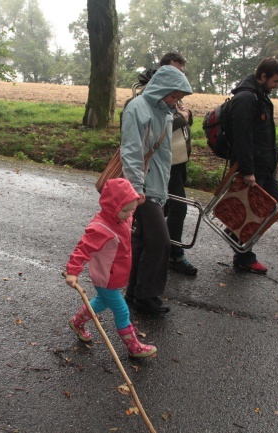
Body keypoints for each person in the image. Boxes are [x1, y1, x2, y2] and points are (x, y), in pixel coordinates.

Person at [121, 65, 192, 314]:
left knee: (142, 240)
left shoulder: (165, 111)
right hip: (142, 187)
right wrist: (136, 189)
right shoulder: (138, 108)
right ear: (162, 88)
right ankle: (147, 296)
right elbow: (130, 151)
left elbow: (164, 153)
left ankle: (134, 292)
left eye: (178, 98)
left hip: (155, 184)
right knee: (161, 241)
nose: (175, 101)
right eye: (173, 95)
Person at [65, 178, 156, 358]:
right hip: (105, 279)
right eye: (126, 210)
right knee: (122, 310)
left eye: (132, 209)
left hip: (115, 276)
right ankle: (134, 347)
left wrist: (137, 202)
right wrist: (73, 271)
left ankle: (77, 322)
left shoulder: (123, 217)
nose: (130, 214)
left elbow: (129, 209)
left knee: (102, 302)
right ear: (113, 207)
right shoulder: (100, 228)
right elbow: (83, 249)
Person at [228, 57, 278, 274]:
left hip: (266, 166)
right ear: (263, 76)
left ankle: (234, 232)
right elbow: (243, 137)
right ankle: (244, 256)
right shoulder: (245, 98)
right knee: (254, 211)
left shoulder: (259, 96)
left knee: (272, 203)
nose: (276, 86)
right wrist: (248, 171)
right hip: (255, 167)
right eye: (275, 81)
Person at [159, 53, 198, 276]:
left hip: (177, 162)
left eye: (182, 72)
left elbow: (182, 117)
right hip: (164, 163)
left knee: (165, 207)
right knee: (176, 207)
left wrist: (186, 114)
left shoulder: (175, 94)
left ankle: (158, 248)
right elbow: (158, 125)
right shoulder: (153, 94)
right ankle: (174, 254)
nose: (180, 77)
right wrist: (183, 117)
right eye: (176, 71)